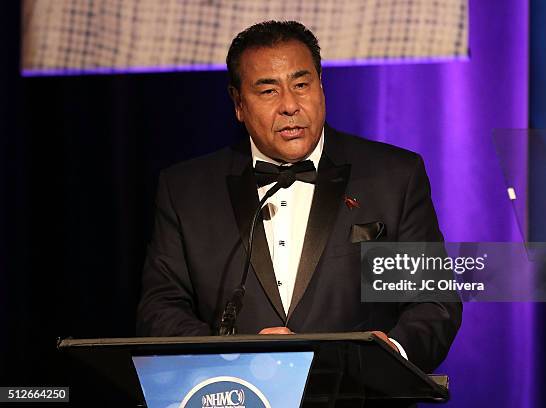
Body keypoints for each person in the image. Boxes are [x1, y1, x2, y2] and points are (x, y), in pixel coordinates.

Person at [136, 20, 461, 373]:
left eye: (302, 84)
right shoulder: (186, 190)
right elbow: (161, 310)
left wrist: (391, 352)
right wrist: (231, 355)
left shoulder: (393, 176)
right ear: (238, 103)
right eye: (268, 91)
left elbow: (433, 302)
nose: (290, 105)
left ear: (321, 86)